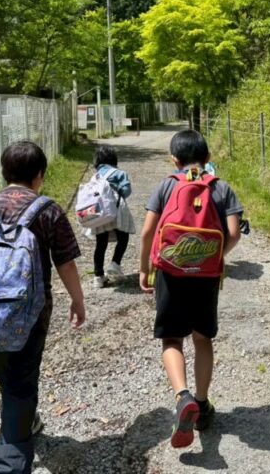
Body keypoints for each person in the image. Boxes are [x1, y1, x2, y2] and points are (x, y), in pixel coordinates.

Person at [0, 141, 86, 474]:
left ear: (4, 171)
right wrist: (77, 299)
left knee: (6, 373)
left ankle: (25, 418)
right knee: (21, 382)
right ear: (40, 174)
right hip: (31, 314)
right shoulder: (48, 210)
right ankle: (9, 464)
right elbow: (66, 263)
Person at [139, 130, 243, 448]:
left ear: (174, 159)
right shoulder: (221, 188)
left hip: (170, 274)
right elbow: (234, 233)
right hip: (207, 276)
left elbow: (147, 232)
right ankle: (202, 401)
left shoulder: (167, 185)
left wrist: (144, 267)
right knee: (202, 337)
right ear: (208, 158)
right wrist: (212, 255)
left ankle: (183, 396)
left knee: (172, 337)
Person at [85, 146, 135, 288]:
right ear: (114, 160)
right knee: (123, 237)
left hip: (100, 212)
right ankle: (115, 263)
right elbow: (127, 190)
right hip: (117, 210)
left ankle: (98, 277)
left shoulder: (95, 176)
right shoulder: (120, 173)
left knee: (101, 244)